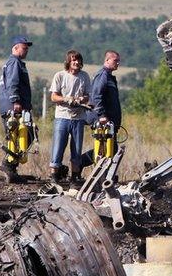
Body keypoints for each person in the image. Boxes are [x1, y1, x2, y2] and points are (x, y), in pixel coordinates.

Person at [49, 50, 91, 184]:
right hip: (62, 116)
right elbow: (53, 96)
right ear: (68, 62)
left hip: (78, 118)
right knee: (58, 146)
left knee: (77, 149)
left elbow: (88, 96)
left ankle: (75, 176)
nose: (77, 62)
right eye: (74, 60)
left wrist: (81, 99)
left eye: (78, 60)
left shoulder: (84, 76)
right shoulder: (60, 76)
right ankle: (54, 176)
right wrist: (67, 99)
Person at [0, 36, 33, 183]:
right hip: (14, 106)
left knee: (21, 136)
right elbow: (13, 82)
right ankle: (8, 165)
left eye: (27, 48)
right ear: (15, 48)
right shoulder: (14, 62)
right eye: (24, 48)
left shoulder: (16, 63)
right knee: (22, 135)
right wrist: (16, 101)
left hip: (15, 106)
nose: (26, 51)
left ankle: (11, 169)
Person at [82, 50, 122, 167]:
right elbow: (96, 96)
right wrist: (101, 115)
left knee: (110, 148)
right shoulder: (103, 75)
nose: (118, 63)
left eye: (119, 61)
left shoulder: (109, 77)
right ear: (107, 60)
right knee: (104, 148)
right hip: (102, 120)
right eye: (115, 60)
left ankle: (100, 172)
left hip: (109, 120)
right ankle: (80, 163)